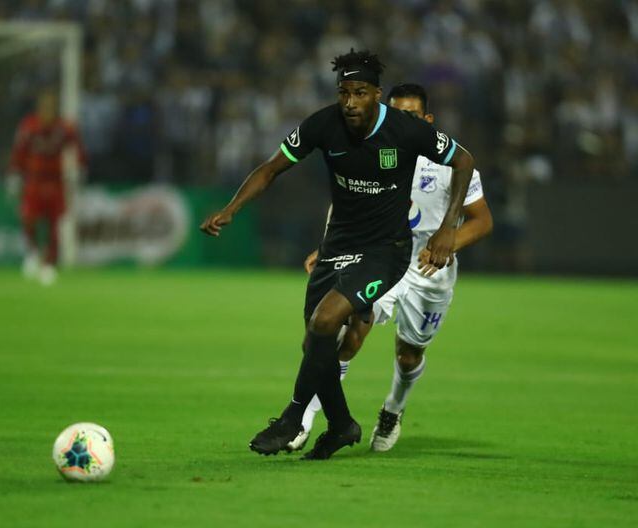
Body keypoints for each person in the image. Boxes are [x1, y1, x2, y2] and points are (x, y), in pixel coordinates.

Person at [200, 50, 476, 460]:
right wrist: (231, 208)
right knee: (316, 341)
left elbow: (464, 160)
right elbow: (271, 168)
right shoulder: (323, 124)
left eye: (359, 93)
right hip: (338, 245)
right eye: (344, 92)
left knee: (326, 321)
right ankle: (342, 424)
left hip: (386, 251)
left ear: (377, 95)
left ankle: (292, 418)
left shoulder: (405, 130)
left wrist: (448, 228)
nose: (350, 102)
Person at [288, 83, 493, 453]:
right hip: (378, 255)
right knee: (348, 334)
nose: (401, 122)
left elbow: (482, 220)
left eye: (410, 116)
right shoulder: (372, 150)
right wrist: (329, 246)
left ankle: (393, 409)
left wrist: (448, 241)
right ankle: (305, 420)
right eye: (395, 113)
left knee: (409, 353)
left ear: (427, 120)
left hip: (430, 269)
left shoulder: (449, 163)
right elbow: (348, 203)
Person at [7, 90, 86, 286]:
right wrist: (14, 174)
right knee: (28, 219)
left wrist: (78, 169)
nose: (48, 111)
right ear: (39, 108)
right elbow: (19, 151)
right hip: (34, 180)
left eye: (51, 107)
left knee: (55, 224)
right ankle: (33, 253)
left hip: (56, 181)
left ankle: (50, 263)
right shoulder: (29, 126)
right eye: (45, 107)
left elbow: (77, 148)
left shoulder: (65, 127)